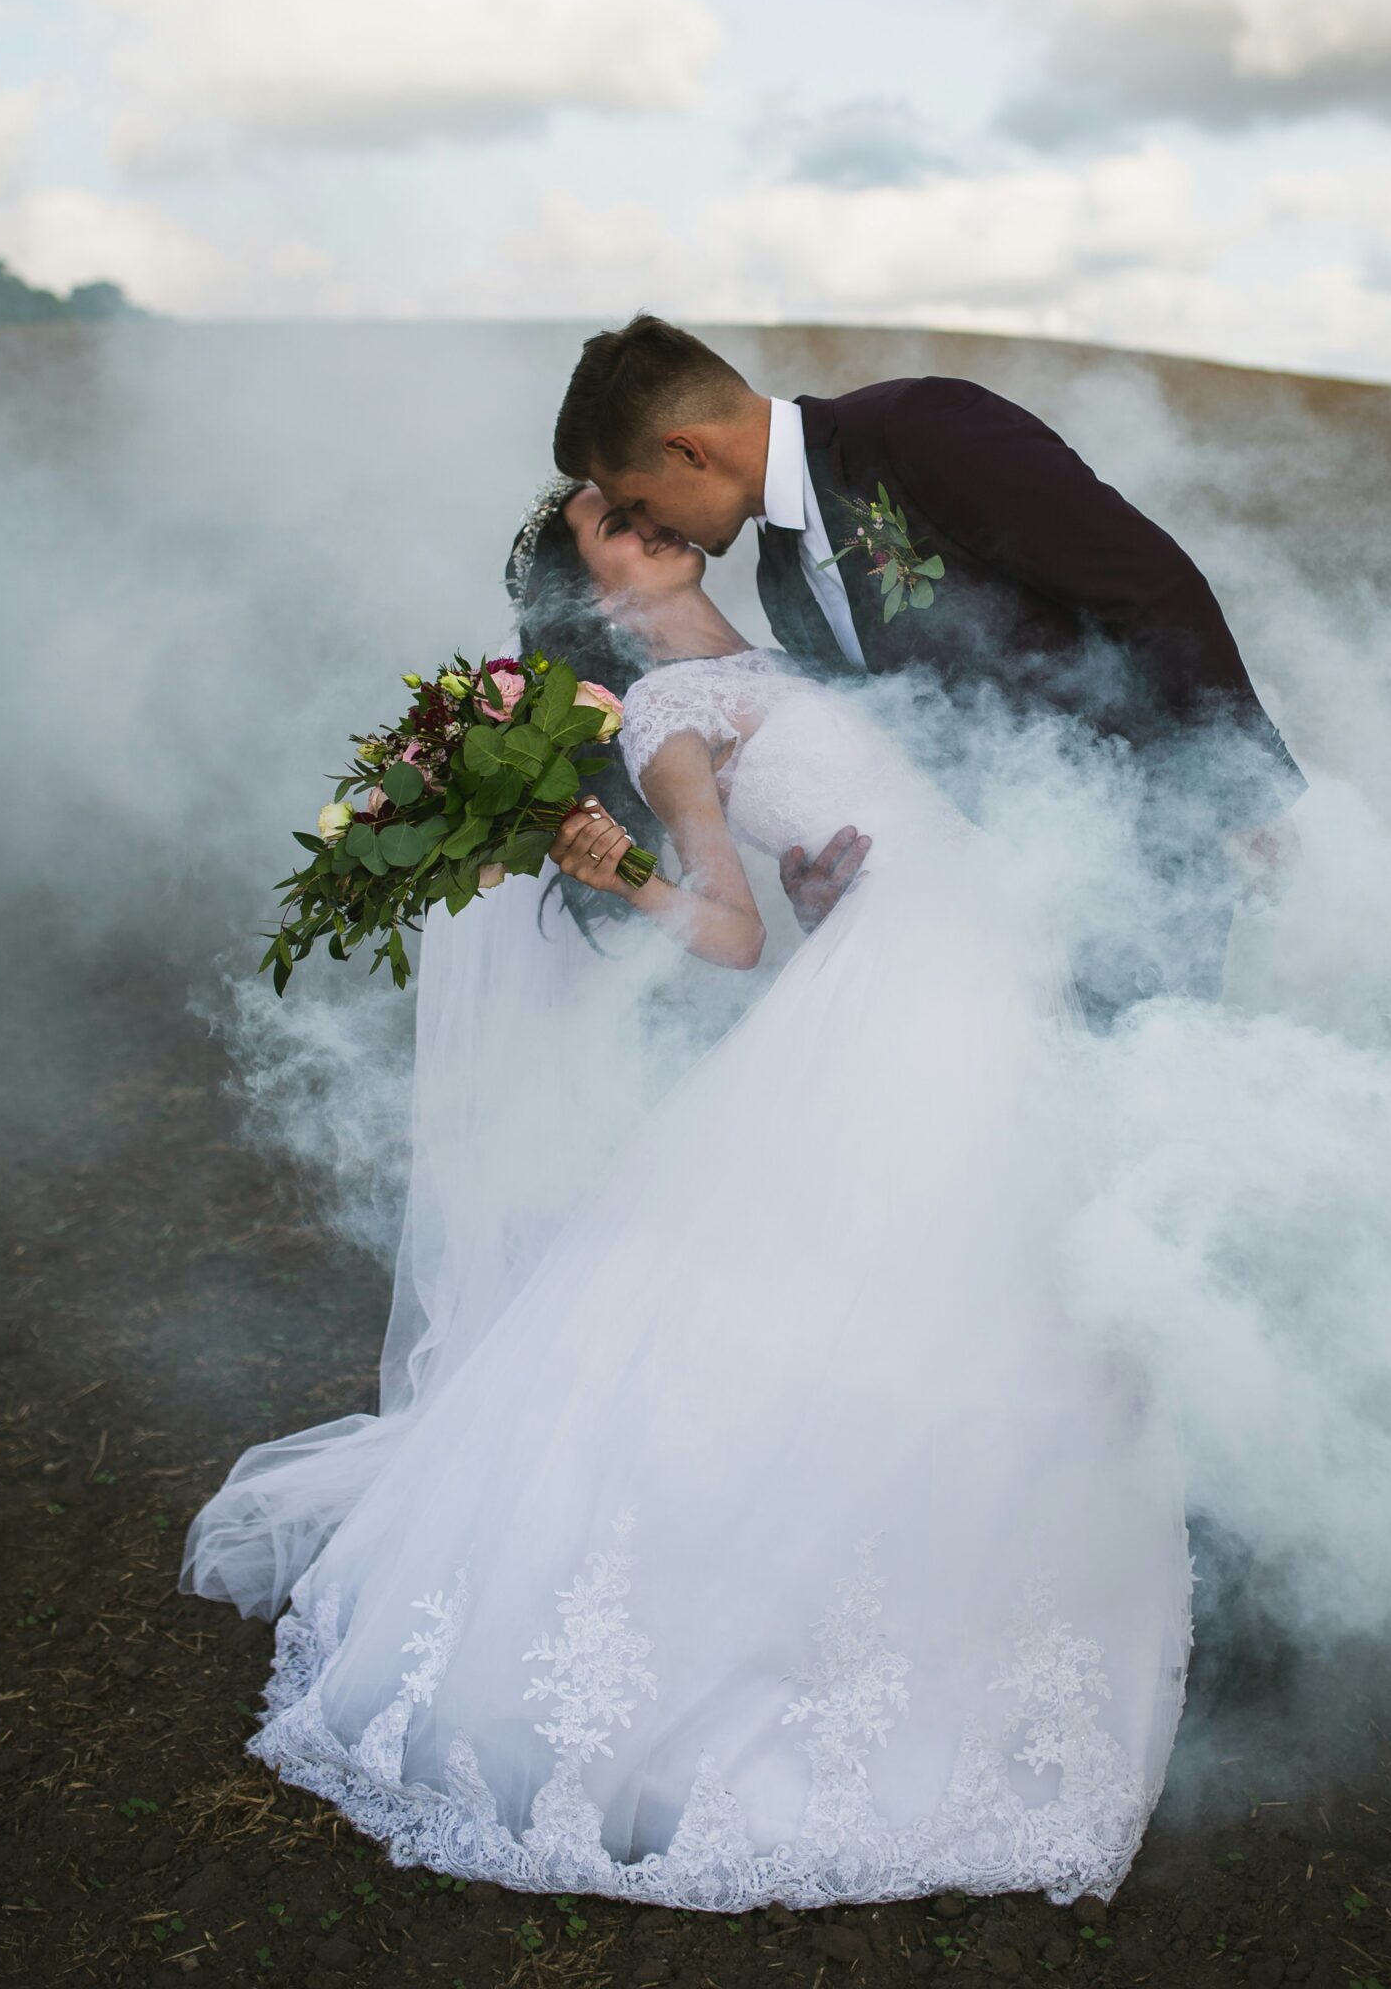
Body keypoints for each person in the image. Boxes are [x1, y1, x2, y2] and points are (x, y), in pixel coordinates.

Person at [179, 476, 1192, 1912]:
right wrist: (637, 883)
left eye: (637, 497)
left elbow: (868, 820)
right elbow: (728, 931)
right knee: (890, 1290)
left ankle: (988, 1601)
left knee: (1006, 1292)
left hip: (980, 963)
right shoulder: (666, 718)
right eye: (609, 519)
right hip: (899, 1004)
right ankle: (815, 1653)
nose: (642, 514)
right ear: (597, 592)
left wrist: (863, 876)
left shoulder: (787, 638)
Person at [554, 314, 1305, 1000]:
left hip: (1137, 845)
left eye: (640, 501)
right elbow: (891, 741)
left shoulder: (920, 428)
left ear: (687, 450)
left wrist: (1239, 792)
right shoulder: (779, 578)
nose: (656, 527)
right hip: (999, 904)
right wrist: (832, 883)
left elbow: (1147, 584)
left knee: (1146, 1101)